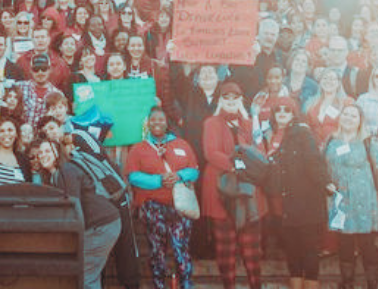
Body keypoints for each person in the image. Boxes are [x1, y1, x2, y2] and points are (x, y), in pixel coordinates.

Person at [125, 107, 199, 289]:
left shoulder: (182, 144)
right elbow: (133, 176)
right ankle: (159, 285)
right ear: (148, 123)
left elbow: (194, 171)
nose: (157, 123)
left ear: (167, 123)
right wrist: (158, 180)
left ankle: (186, 285)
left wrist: (179, 175)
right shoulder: (138, 148)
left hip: (179, 207)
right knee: (157, 251)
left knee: (181, 249)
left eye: (161, 120)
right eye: (153, 120)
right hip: (152, 208)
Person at [201, 82, 265, 289]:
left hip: (248, 191)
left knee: (252, 247)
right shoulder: (211, 123)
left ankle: (255, 285)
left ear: (240, 100)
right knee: (225, 248)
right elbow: (211, 153)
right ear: (220, 100)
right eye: (226, 98)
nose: (230, 101)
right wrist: (236, 166)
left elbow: (260, 151)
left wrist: (246, 167)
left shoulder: (250, 123)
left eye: (234, 98)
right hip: (222, 189)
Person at [36, 139, 121, 289]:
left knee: (85, 274)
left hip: (101, 226)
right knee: (87, 273)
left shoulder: (66, 171)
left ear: (57, 153)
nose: (43, 155)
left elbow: (73, 208)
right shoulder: (55, 176)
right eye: (40, 152)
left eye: (48, 151)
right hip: (99, 225)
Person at [325, 104, 378, 289]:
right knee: (344, 245)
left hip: (364, 201)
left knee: (367, 245)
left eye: (353, 116)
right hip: (340, 201)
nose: (348, 118)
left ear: (360, 120)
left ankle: (372, 284)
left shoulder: (368, 142)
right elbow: (322, 166)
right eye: (345, 114)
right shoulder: (331, 140)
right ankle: (347, 283)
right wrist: (326, 183)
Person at [268, 99, 331, 289]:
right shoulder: (268, 135)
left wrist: (327, 183)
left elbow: (314, 161)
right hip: (282, 202)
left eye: (287, 110)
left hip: (305, 200)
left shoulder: (302, 133)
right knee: (291, 249)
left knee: (309, 248)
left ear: (293, 113)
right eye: (278, 109)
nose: (282, 113)